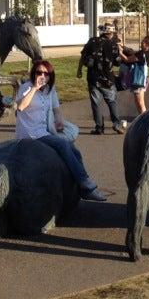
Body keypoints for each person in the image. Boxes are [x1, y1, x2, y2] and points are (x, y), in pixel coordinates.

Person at [16, 60, 106, 201]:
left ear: (50, 76)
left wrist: (59, 121)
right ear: (34, 73)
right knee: (63, 145)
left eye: (46, 73)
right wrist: (34, 87)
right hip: (31, 134)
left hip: (45, 131)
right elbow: (21, 106)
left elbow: (56, 109)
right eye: (39, 72)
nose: (42, 76)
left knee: (74, 150)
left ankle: (79, 186)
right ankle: (87, 185)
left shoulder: (50, 90)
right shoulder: (26, 87)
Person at [77, 23, 124, 135]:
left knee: (96, 103)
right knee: (112, 101)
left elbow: (83, 57)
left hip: (93, 78)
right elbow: (117, 62)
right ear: (110, 33)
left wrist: (79, 70)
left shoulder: (92, 41)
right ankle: (116, 125)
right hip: (108, 79)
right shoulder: (113, 45)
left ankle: (99, 127)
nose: (112, 35)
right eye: (112, 33)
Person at [120, 36, 149, 114]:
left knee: (140, 103)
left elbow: (127, 59)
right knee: (139, 102)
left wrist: (119, 53)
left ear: (147, 44)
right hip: (143, 80)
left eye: (143, 41)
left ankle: (144, 120)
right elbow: (132, 52)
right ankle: (142, 118)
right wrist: (122, 46)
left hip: (138, 80)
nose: (141, 43)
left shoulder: (141, 54)